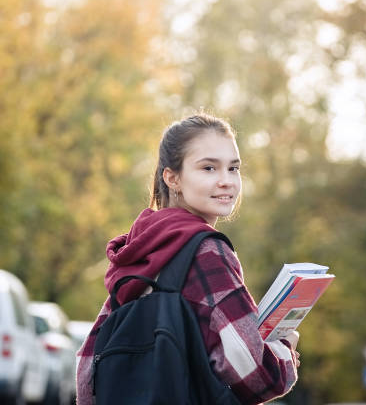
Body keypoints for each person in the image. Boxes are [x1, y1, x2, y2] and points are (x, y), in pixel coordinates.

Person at [76, 114, 300, 405]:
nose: (226, 181)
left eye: (233, 169)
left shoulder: (139, 250)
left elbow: (86, 371)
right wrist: (284, 350)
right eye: (209, 168)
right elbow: (255, 373)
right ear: (173, 177)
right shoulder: (206, 251)